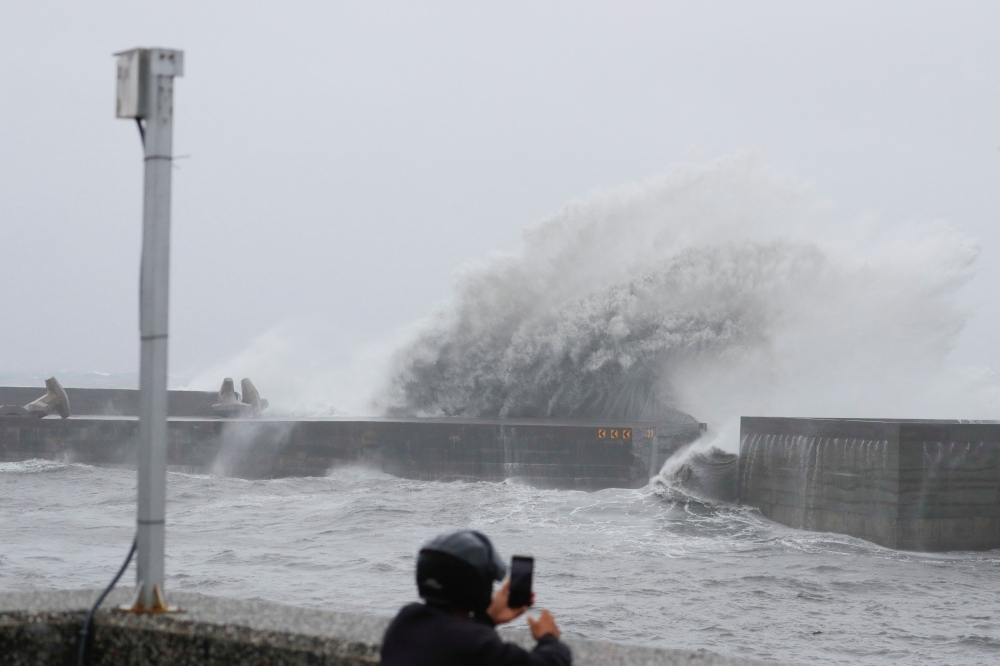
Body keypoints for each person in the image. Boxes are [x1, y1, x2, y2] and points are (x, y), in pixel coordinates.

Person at [381, 530, 572, 666]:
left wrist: (487, 619)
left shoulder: (407, 620)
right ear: (478, 586)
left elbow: (446, 639)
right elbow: (548, 662)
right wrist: (549, 638)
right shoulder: (477, 644)